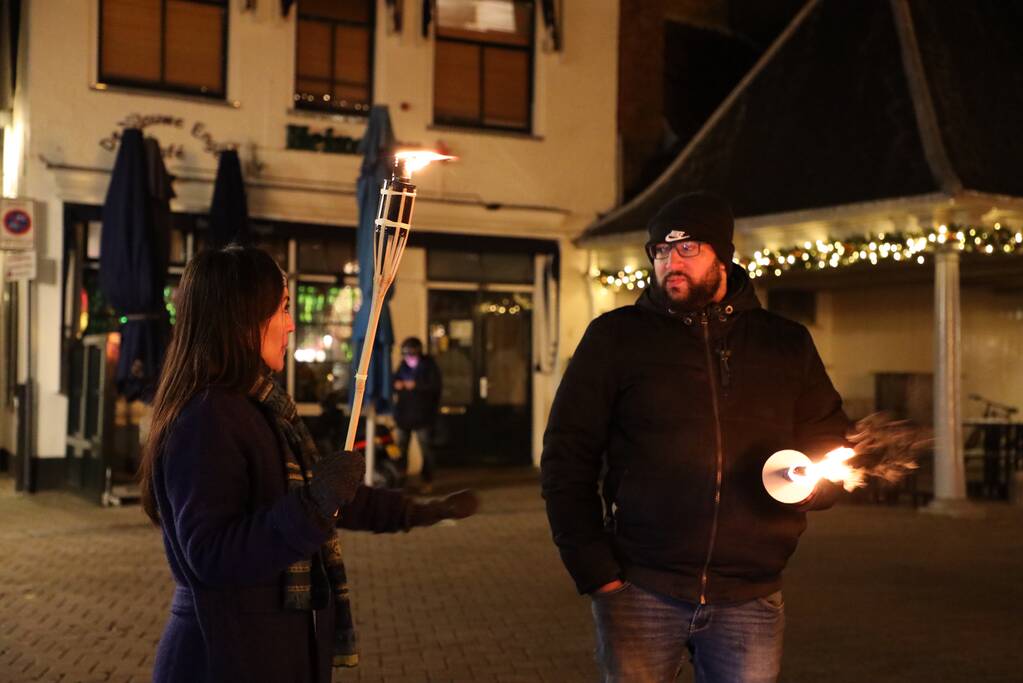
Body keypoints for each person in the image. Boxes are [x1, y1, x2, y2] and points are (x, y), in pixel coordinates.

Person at [540, 192, 848, 683]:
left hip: (750, 593)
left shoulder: (785, 343)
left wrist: (811, 487)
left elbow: (829, 439)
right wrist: (594, 568)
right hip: (640, 587)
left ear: (723, 256)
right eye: (661, 250)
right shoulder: (615, 337)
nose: (671, 262)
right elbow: (566, 455)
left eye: (687, 248)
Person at [138, 245, 477, 683]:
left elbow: (328, 497)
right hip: (223, 654)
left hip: (268, 647)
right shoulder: (207, 417)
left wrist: (418, 511)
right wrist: (314, 505)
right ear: (242, 318)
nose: (292, 324)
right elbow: (212, 554)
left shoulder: (259, 405)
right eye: (282, 308)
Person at [392, 336, 442, 492]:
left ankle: (427, 481)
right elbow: (394, 381)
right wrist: (397, 384)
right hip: (404, 415)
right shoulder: (403, 366)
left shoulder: (429, 366)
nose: (409, 358)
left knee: (426, 449)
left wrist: (416, 385)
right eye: (406, 354)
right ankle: (400, 479)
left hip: (423, 416)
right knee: (401, 449)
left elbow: (435, 386)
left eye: (411, 354)